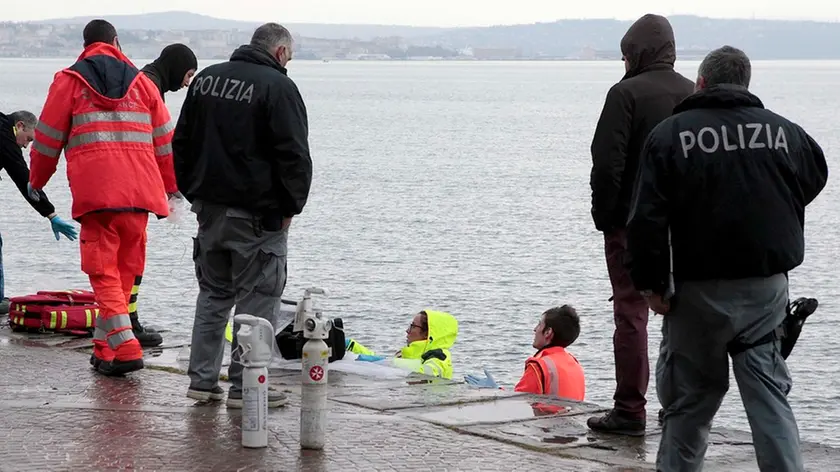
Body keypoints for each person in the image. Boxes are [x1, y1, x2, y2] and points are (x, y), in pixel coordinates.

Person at [626, 46, 828, 471]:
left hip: (696, 292)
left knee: (690, 404)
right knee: (769, 398)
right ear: (746, 84)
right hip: (765, 290)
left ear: (700, 82)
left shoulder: (668, 136)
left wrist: (650, 284)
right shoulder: (786, 133)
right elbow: (813, 177)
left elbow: (645, 220)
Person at [28, 19, 178, 376]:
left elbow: (47, 140)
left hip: (98, 196)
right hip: (141, 194)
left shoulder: (69, 81)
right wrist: (170, 189)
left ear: (84, 45)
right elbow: (165, 145)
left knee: (103, 273)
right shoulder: (144, 84)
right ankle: (103, 349)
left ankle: (125, 348)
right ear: (116, 41)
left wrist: (37, 180)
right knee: (126, 272)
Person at [174, 23, 312, 409]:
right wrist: (290, 208)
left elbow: (180, 142)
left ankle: (201, 382)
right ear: (281, 53)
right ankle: (245, 388)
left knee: (213, 296)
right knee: (257, 304)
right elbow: (294, 156)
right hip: (258, 218)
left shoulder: (206, 80)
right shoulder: (278, 87)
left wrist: (194, 192)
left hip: (209, 212)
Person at [587, 13, 695, 436]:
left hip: (632, 225)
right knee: (684, 316)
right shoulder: (692, 92)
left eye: (625, 54)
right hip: (685, 228)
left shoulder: (624, 94)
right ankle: (681, 407)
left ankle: (630, 410)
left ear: (634, 53)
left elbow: (607, 164)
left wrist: (606, 219)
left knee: (631, 314)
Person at [126, 43, 198, 348]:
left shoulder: (138, 81)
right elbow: (163, 149)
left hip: (122, 185)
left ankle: (121, 323)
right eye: (188, 75)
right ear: (178, 67)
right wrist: (173, 191)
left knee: (121, 262)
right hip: (133, 190)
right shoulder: (150, 89)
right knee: (131, 260)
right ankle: (128, 325)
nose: (186, 83)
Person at [0, 111, 78, 314]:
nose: (26, 146)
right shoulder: (5, 136)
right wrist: (51, 213)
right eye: (28, 139)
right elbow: (25, 180)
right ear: (20, 125)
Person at [463, 306, 585, 401]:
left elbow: (518, 403)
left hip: (547, 429)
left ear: (548, 332)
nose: (535, 329)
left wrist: (495, 391)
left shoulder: (540, 366)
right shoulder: (573, 362)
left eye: (539, 324)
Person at [345, 310, 459, 379]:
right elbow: (382, 360)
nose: (407, 330)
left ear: (427, 334)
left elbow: (427, 372)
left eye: (413, 326)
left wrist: (387, 362)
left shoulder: (440, 356)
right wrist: (352, 346)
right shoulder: (409, 354)